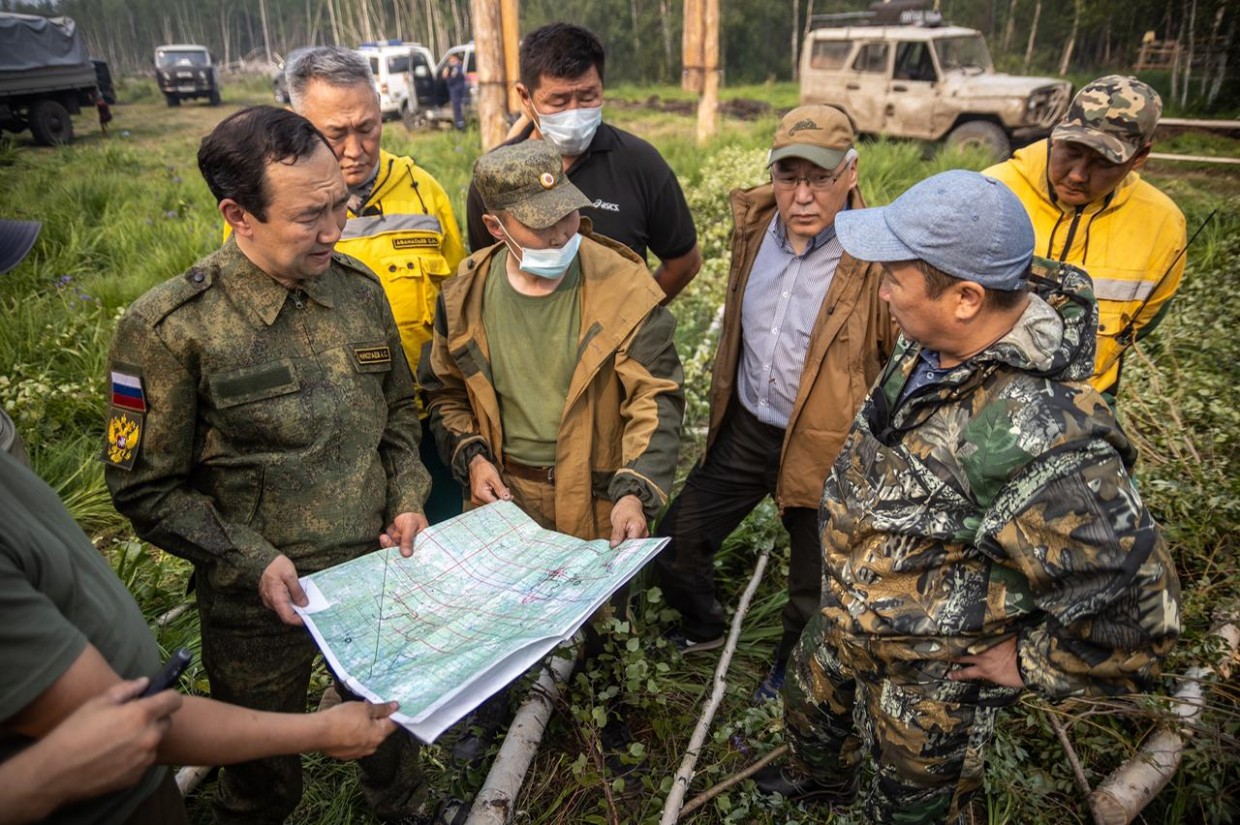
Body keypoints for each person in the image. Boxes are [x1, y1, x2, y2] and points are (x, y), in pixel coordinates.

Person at [752, 170, 1180, 823]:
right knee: (812, 715)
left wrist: (1029, 661)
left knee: (918, 803)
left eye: (896, 276)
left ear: (966, 297)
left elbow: (1140, 617)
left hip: (933, 678)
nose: (883, 289)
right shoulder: (944, 336)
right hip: (849, 614)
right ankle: (819, 783)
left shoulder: (1042, 440)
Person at [104, 106, 433, 824]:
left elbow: (399, 414)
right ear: (238, 215)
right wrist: (249, 558)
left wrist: (408, 495)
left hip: (373, 574)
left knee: (389, 735)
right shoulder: (169, 328)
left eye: (340, 207)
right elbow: (144, 486)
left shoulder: (358, 290)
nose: (334, 230)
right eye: (309, 216)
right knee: (259, 774)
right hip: (257, 600)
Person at [423, 139, 684, 762]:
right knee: (496, 614)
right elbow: (444, 394)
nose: (566, 232)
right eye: (542, 226)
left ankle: (607, 720)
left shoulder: (622, 284)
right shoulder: (464, 295)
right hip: (504, 496)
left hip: (593, 493)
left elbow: (657, 398)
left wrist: (634, 489)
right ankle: (487, 715)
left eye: (569, 213)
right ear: (495, 227)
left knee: (602, 620)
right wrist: (473, 457)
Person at [1, 447, 401, 825]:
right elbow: (123, 725)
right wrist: (323, 731)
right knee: (259, 787)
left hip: (138, 790)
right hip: (97, 807)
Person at [653, 105, 896, 702]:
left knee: (815, 589)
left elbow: (896, 362)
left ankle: (791, 669)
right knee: (675, 543)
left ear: (851, 172)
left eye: (819, 178)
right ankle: (705, 626)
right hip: (748, 429)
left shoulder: (881, 254)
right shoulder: (755, 224)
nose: (803, 196)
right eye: (789, 177)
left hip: (826, 446)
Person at [284, 46, 466, 523]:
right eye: (334, 133)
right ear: (297, 123)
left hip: (426, 427)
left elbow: (461, 309)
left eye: (367, 127)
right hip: (325, 445)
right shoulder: (271, 207)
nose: (354, 148)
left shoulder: (423, 191)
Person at [464, 23, 702, 301]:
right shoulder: (496, 177)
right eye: (559, 101)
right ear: (525, 97)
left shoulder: (640, 163)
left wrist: (636, 317)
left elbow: (684, 262)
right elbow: (484, 269)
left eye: (588, 97)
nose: (575, 113)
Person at [984, 75, 1187, 402]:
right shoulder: (993, 191)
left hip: (1082, 405)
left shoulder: (1163, 225)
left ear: (1140, 156)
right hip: (980, 396)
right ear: (1058, 130)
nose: (1078, 174)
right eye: (1071, 151)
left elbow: (1143, 321)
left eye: (1103, 162)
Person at [441, 52, 467, 131]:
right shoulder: (456, 67)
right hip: (456, 91)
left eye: (452, 60)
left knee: (457, 110)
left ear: (456, 59)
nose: (450, 62)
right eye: (450, 60)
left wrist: (446, 76)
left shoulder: (456, 68)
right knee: (457, 109)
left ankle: (460, 127)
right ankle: (459, 125)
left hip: (456, 91)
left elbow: (451, 80)